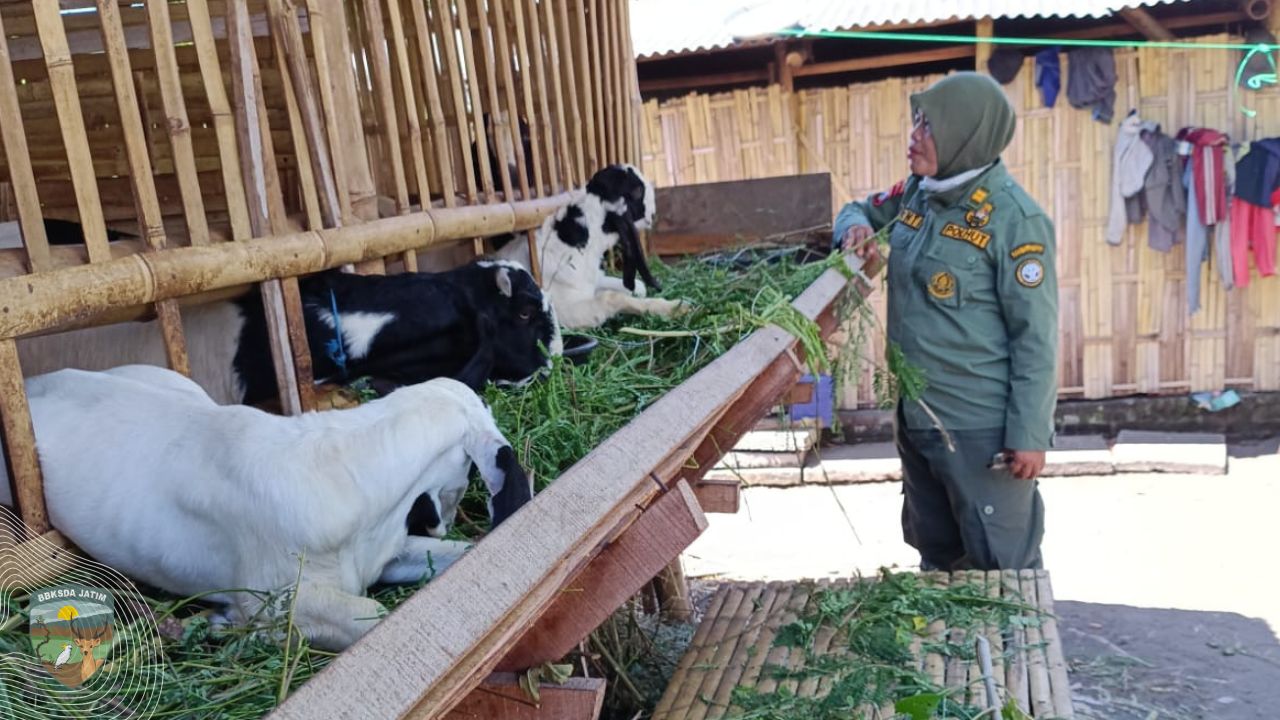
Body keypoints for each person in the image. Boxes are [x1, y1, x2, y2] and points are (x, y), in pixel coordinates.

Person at [833, 72, 1058, 571]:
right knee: (937, 555)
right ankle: (947, 652)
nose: (914, 135)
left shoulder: (1015, 221)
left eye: (929, 125)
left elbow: (1036, 337)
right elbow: (857, 209)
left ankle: (1010, 652)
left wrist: (1030, 432)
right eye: (916, 122)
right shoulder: (918, 193)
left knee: (1002, 568)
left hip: (980, 428)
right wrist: (854, 231)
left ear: (965, 134)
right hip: (918, 417)